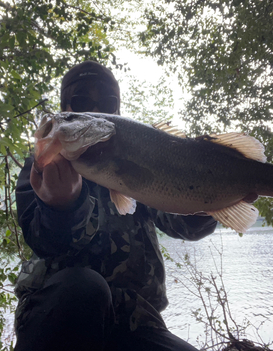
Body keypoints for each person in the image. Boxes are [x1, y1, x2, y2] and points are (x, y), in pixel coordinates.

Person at [14, 61, 218, 351]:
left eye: (108, 102)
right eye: (82, 101)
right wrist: (62, 207)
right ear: (66, 108)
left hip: (138, 321)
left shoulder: (139, 159)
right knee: (84, 287)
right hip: (60, 313)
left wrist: (215, 194)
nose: (97, 109)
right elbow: (45, 242)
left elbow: (184, 224)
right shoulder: (40, 167)